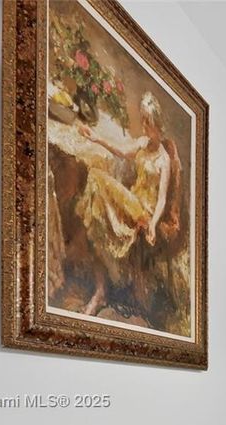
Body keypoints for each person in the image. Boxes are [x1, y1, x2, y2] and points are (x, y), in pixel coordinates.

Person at [73, 91, 172, 317]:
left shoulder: (164, 160)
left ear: (157, 123)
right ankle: (101, 290)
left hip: (144, 212)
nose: (144, 125)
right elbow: (121, 151)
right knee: (97, 178)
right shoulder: (142, 143)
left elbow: (163, 199)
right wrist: (95, 138)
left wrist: (154, 224)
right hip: (131, 201)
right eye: (143, 119)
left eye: (148, 121)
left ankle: (103, 292)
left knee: (99, 179)